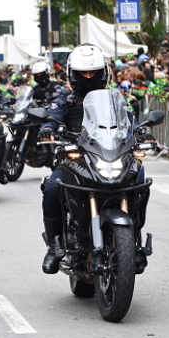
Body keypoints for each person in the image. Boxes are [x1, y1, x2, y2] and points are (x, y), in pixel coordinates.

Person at [38, 44, 146, 273]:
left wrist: (141, 132)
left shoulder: (117, 100)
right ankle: (54, 246)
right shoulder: (65, 100)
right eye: (83, 73)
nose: (88, 77)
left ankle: (134, 241)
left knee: (141, 177)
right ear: (73, 74)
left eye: (93, 73)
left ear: (102, 73)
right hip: (76, 159)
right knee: (50, 188)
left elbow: (130, 121)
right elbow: (52, 116)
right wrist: (47, 128)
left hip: (110, 156)